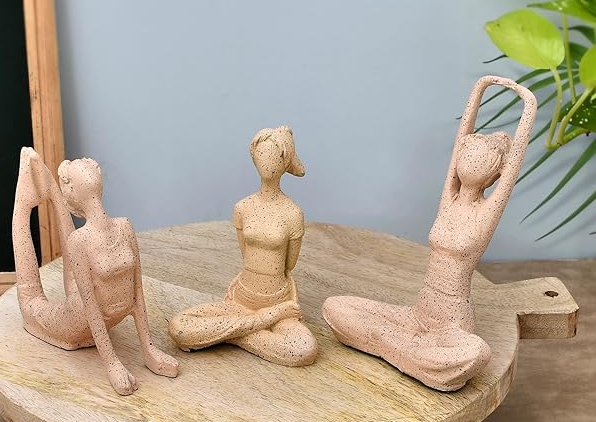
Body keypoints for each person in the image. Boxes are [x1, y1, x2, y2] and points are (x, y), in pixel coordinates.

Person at [323, 76, 537, 391]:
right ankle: (404, 350)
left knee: (477, 353)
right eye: (466, 154)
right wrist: (481, 86)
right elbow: (462, 135)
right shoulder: (449, 200)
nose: (468, 162)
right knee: (335, 306)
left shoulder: (485, 212)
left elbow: (515, 160)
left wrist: (527, 102)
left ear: (496, 173)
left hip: (452, 322)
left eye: (480, 160)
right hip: (417, 313)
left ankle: (396, 347)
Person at [12, 147, 178, 395]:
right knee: (31, 302)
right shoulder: (79, 240)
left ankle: (51, 191)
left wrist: (149, 349)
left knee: (75, 282)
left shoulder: (124, 227)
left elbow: (137, 296)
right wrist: (112, 364)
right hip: (74, 321)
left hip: (102, 315)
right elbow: (90, 307)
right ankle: (23, 206)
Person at [168, 126, 317, 366]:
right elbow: (245, 254)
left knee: (302, 350)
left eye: (275, 156)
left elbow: (289, 264)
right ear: (254, 158)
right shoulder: (243, 208)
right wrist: (266, 318)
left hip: (279, 303)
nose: (267, 162)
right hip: (241, 298)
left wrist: (275, 311)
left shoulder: (293, 213)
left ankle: (228, 333)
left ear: (286, 161)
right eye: (262, 154)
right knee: (180, 327)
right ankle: (251, 326)